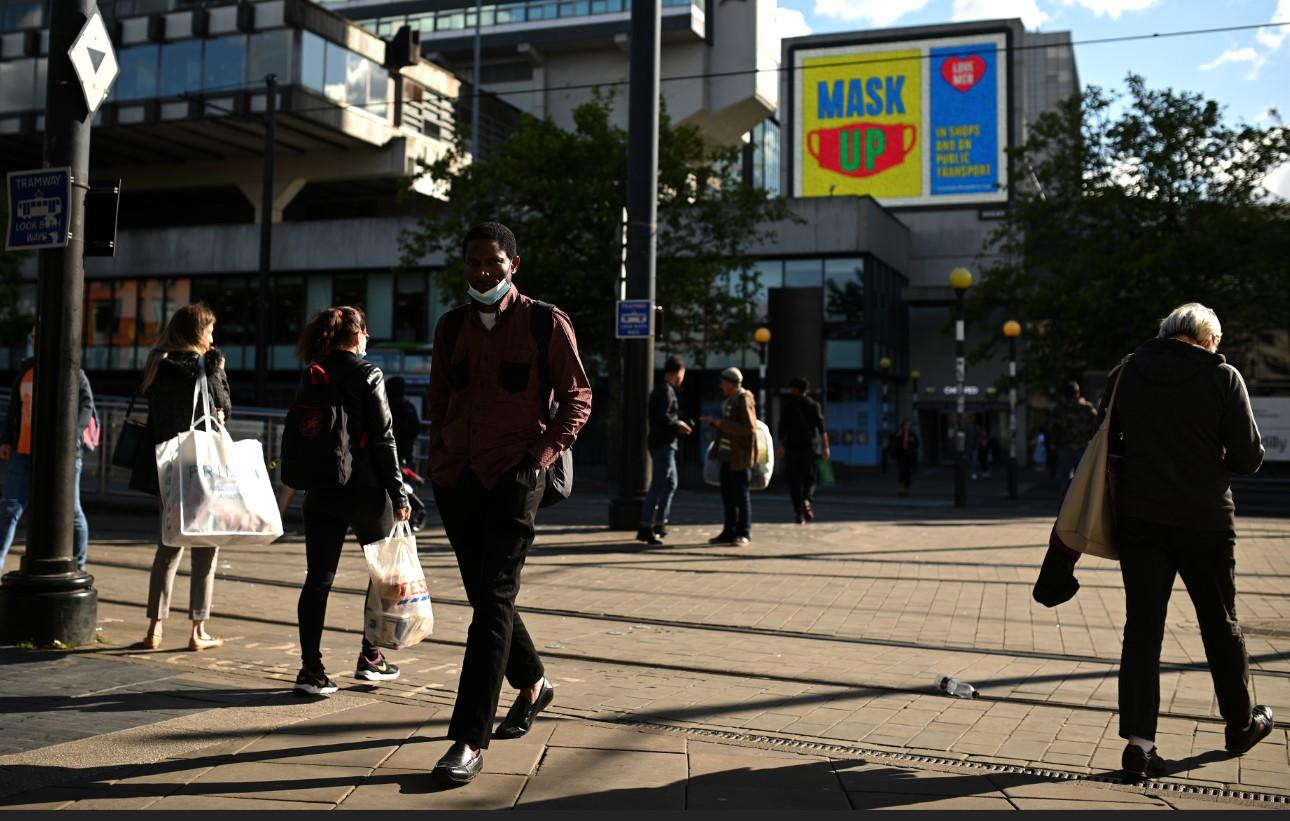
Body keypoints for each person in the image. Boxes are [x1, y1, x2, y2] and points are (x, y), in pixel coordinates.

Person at [426, 222, 591, 786]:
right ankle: (536, 684)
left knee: (493, 599)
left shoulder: (545, 321)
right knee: (484, 597)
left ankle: (469, 739)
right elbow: (439, 399)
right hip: (457, 477)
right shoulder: (450, 328)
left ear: (513, 264)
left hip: (516, 475)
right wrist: (437, 456)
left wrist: (542, 455)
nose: (481, 272)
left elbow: (578, 397)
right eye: (472, 263)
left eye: (492, 262)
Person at [1108, 302, 1272, 779]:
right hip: (1205, 521)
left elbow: (1107, 442)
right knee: (1220, 624)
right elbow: (1247, 457)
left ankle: (1139, 746)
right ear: (1207, 339)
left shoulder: (1126, 373)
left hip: (1139, 519)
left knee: (1142, 631)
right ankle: (1240, 724)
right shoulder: (1223, 377)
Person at [291, 306, 411, 696]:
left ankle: (311, 669)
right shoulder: (368, 373)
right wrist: (399, 492)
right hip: (366, 492)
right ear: (357, 334)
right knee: (381, 574)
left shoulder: (313, 373)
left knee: (318, 580)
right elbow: (383, 437)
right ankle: (370, 656)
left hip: (322, 490)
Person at [130, 304, 230, 652]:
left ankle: (154, 628)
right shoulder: (206, 366)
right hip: (202, 465)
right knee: (205, 547)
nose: (213, 337)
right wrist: (216, 368)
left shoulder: (157, 363)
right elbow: (223, 409)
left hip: (167, 465)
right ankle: (197, 629)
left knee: (169, 545)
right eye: (210, 330)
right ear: (197, 332)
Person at [0, 329, 95, 572]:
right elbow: (14, 409)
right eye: (33, 337)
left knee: (72, 512)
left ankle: (79, 566)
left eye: (38, 337)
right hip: (23, 452)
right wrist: (6, 440)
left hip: (62, 457)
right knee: (9, 509)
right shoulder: (26, 370)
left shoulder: (73, 372)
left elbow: (87, 408)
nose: (35, 341)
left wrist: (70, 438)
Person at [637, 356, 692, 544]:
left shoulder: (664, 389)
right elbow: (662, 416)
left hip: (665, 443)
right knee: (659, 484)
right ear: (678, 373)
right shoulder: (665, 390)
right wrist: (678, 424)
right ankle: (646, 526)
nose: (682, 378)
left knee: (670, 483)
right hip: (663, 444)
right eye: (682, 374)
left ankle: (659, 523)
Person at [700, 367, 757, 546]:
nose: (721, 386)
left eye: (723, 382)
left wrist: (720, 423)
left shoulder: (743, 399)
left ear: (731, 384)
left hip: (739, 458)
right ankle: (729, 531)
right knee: (728, 496)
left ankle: (744, 532)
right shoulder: (730, 400)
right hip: (727, 457)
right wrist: (716, 449)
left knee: (741, 496)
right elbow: (726, 429)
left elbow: (749, 429)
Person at [776, 376, 828, 524]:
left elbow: (782, 428)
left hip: (792, 448)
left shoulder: (789, 406)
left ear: (796, 389)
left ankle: (799, 513)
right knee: (810, 478)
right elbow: (822, 429)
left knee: (793, 481)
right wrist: (826, 448)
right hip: (808, 448)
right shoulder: (814, 405)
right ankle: (806, 499)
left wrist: (781, 446)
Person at [1051, 381, 1097, 492]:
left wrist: (1053, 443)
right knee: (1081, 477)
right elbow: (1097, 425)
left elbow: (1052, 428)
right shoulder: (1087, 408)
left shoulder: (1059, 408)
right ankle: (1078, 500)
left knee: (1065, 476)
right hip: (1082, 446)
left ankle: (1065, 499)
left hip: (1064, 446)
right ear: (1078, 393)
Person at [386, 376, 422, 468]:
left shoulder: (384, 407)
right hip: (405, 453)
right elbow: (416, 428)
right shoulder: (408, 406)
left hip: (386, 453)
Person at [888, 419, 918, 496]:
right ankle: (902, 489)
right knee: (901, 472)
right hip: (901, 455)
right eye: (906, 425)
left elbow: (917, 444)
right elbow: (892, 439)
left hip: (909, 455)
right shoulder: (899, 433)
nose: (907, 426)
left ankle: (906, 490)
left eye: (909, 425)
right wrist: (897, 436)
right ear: (903, 425)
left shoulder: (912, 434)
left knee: (907, 473)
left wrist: (913, 441)